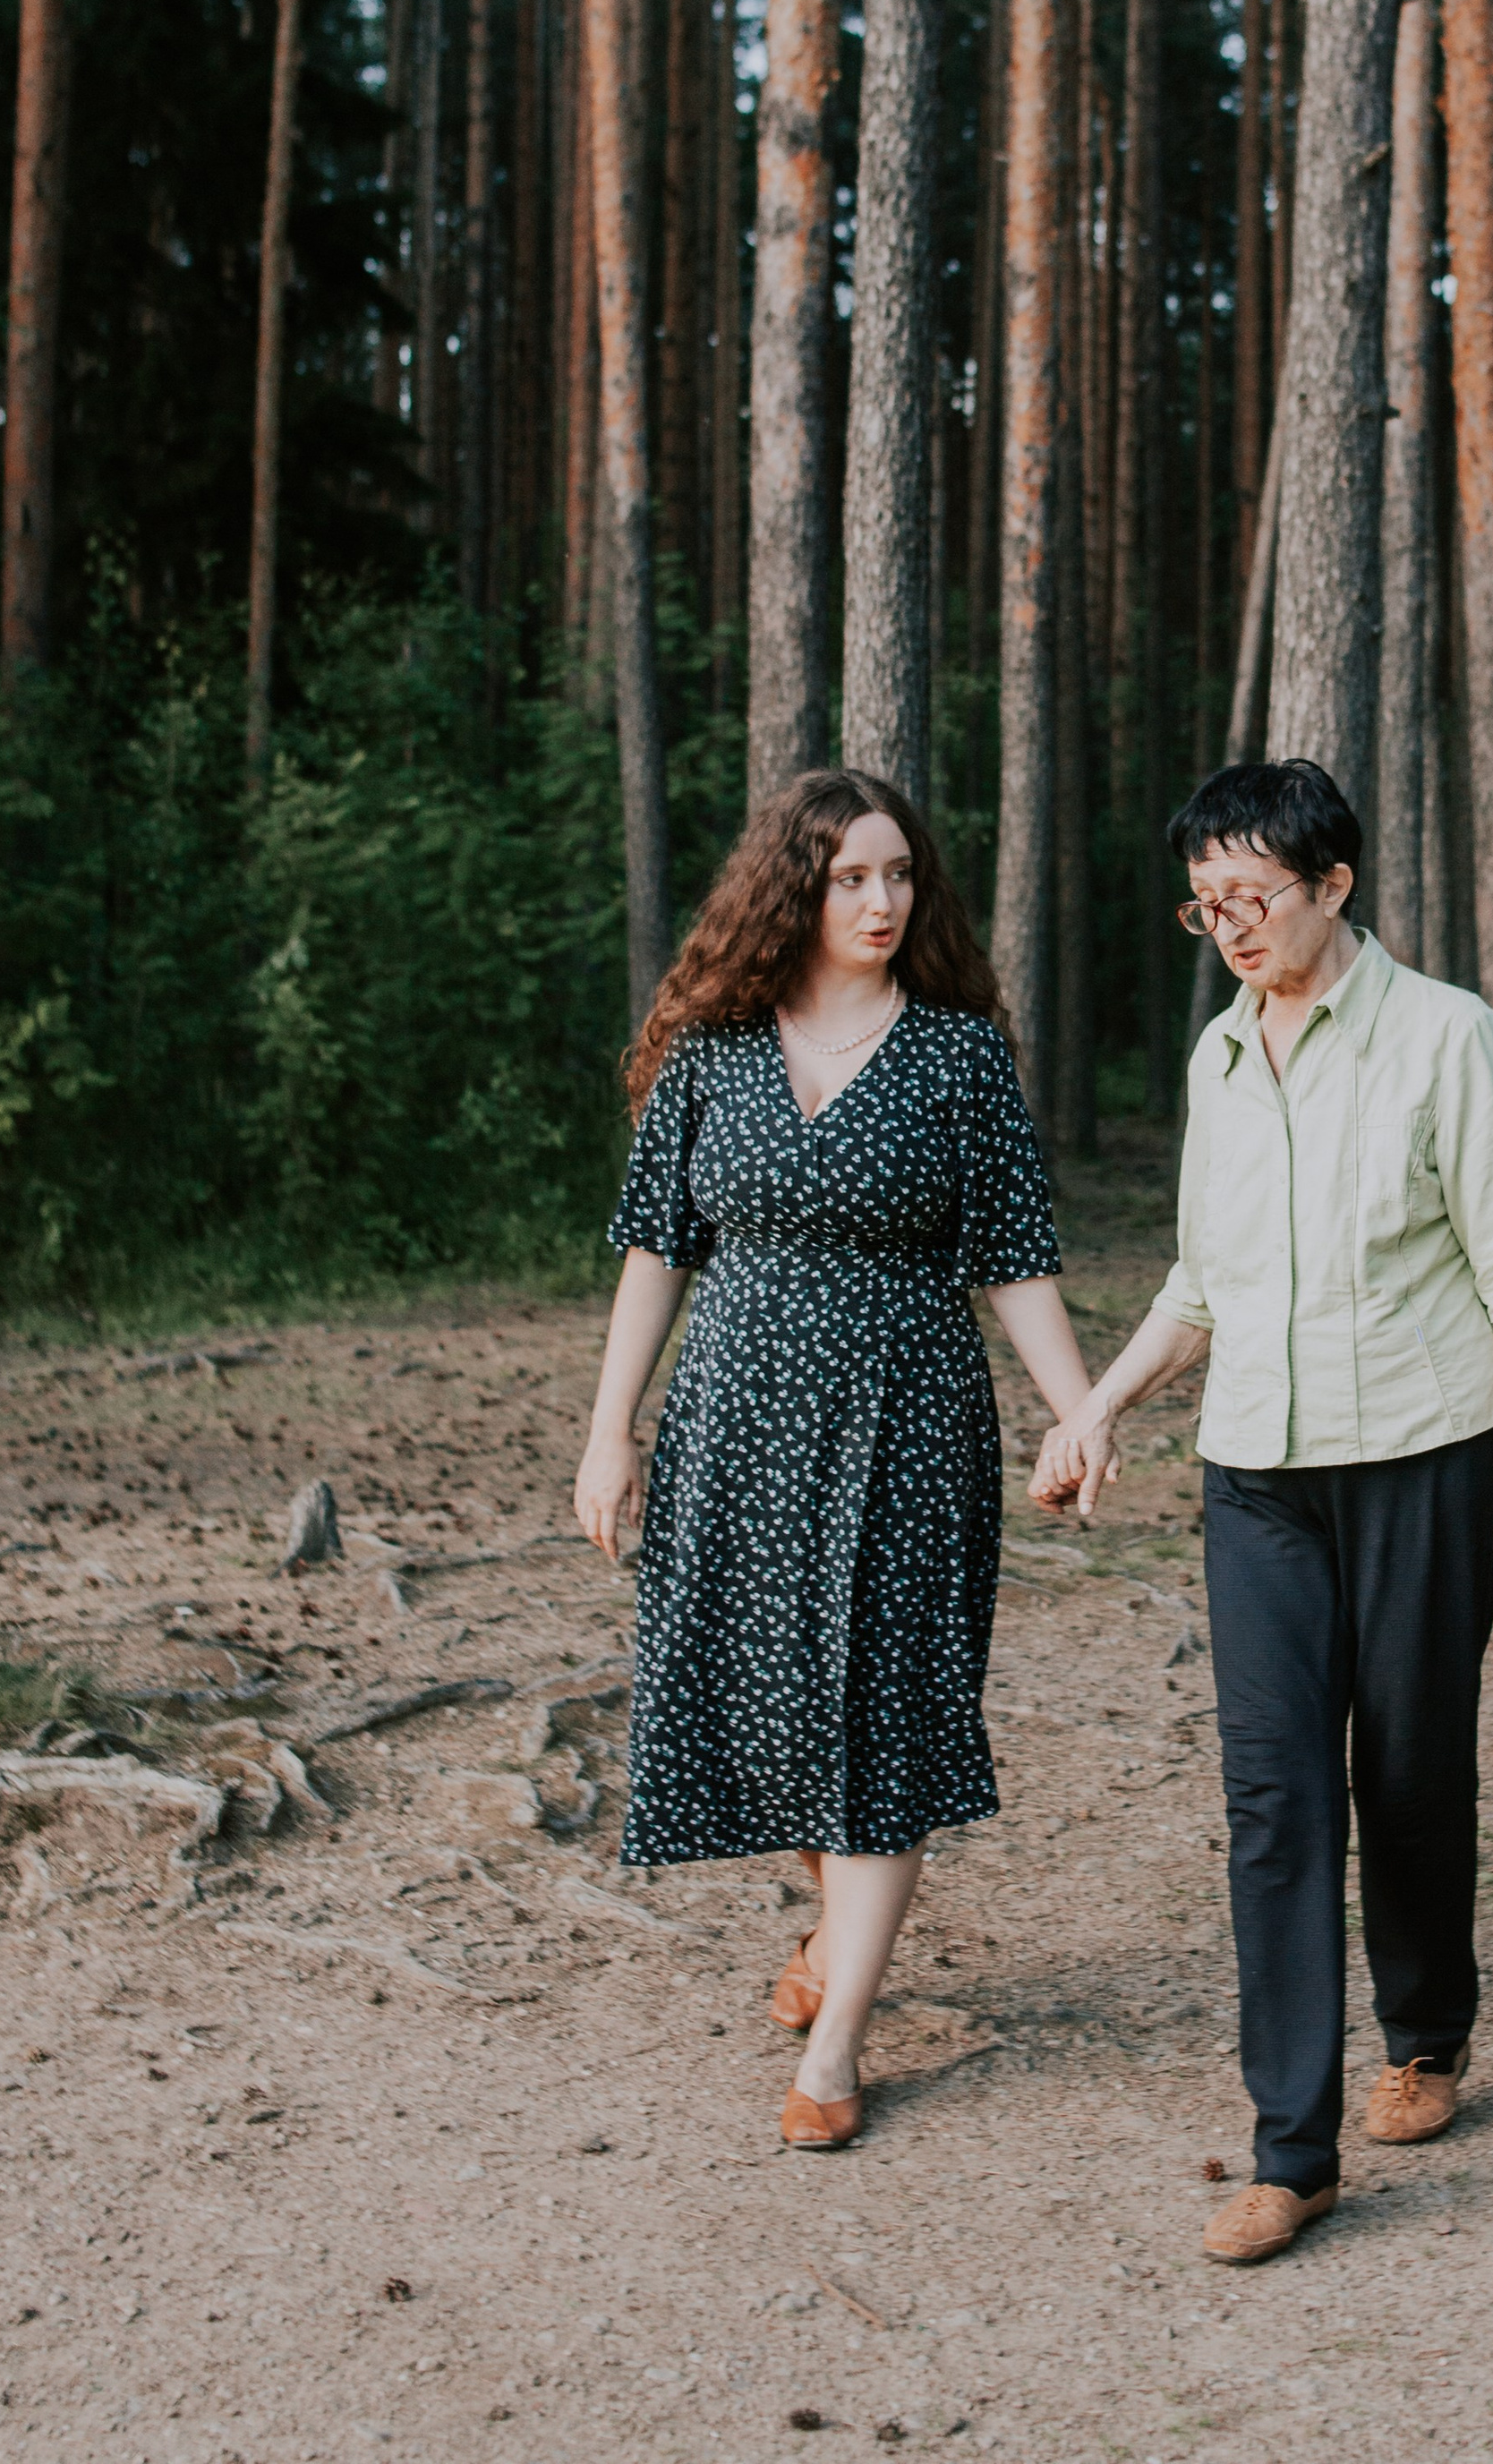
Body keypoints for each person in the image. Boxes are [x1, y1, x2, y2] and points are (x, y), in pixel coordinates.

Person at [1033, 757, 1493, 2265]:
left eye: (1253, 897)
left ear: (1334, 885)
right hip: (1257, 1480)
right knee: (1276, 1798)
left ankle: (1429, 2028)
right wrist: (1095, 1409)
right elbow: (1200, 1287)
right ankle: (1294, 2152)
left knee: (1407, 1775)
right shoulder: (1220, 1061)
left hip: (1424, 1457)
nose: (1230, 928)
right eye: (1205, 905)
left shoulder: (1443, 1038)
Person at [574, 769, 1100, 2153]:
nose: (881, 901)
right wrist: (609, 1428)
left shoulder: (957, 1056)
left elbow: (1017, 1260)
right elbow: (654, 1246)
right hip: (732, 1427)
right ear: (794, 888)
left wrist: (1079, 1409)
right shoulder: (715, 1046)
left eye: (900, 876)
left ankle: (838, 2043)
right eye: (852, 877)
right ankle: (836, 1921)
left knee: (881, 1719)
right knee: (757, 1708)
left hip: (904, 1427)